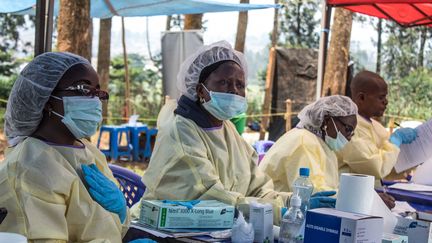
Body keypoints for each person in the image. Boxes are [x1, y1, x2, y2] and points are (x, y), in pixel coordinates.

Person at [134, 41, 333, 221]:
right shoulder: (181, 133)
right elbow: (213, 199)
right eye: (224, 82)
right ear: (200, 90)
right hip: (162, 228)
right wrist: (277, 212)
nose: (234, 90)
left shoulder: (226, 128)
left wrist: (292, 201)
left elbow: (257, 188)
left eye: (240, 84)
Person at [0, 52, 130, 242]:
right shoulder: (29, 169)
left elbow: (107, 226)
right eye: (83, 89)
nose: (95, 101)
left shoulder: (87, 150)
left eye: (98, 92)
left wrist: (122, 214)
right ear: (46, 100)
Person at [259, 95, 358, 203]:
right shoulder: (303, 142)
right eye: (348, 129)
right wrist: (353, 197)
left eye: (352, 132)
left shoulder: (320, 144)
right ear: (327, 120)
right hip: (274, 210)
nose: (349, 137)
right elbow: (312, 191)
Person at [337, 70, 417, 183]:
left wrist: (413, 158)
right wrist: (394, 141)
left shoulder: (377, 128)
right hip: (348, 195)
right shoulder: (347, 128)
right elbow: (375, 169)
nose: (386, 102)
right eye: (381, 97)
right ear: (361, 98)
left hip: (371, 193)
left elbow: (388, 168)